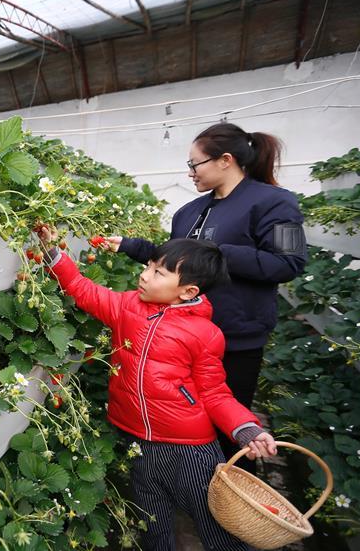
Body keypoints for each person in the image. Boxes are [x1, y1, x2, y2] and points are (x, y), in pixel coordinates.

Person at [41, 235, 280, 551]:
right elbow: (83, 289)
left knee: (214, 527)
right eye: (149, 266)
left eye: (159, 272)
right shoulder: (127, 307)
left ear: (187, 291)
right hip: (138, 438)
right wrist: (54, 255)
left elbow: (215, 393)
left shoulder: (204, 334)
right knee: (151, 514)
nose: (145, 276)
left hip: (191, 449)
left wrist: (245, 427)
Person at [101, 123, 306, 472]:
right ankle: (192, 486)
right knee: (186, 418)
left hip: (235, 338)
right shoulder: (188, 213)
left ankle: (233, 497)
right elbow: (174, 263)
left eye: (195, 164)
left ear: (225, 160)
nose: (190, 172)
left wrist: (216, 252)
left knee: (229, 422)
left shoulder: (276, 203)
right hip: (180, 337)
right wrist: (128, 245)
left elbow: (290, 262)